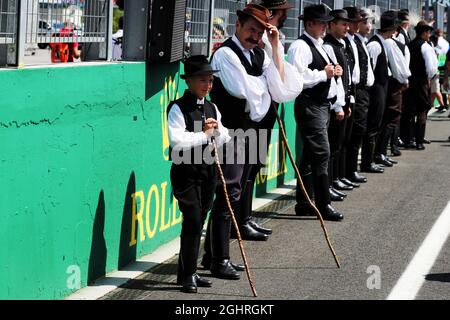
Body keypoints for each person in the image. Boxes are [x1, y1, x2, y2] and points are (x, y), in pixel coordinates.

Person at [202, 4, 302, 279]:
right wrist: (265, 87)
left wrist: (274, 46)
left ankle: (213, 255)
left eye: (260, 32)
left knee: (236, 191)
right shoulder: (225, 54)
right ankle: (218, 258)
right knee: (228, 193)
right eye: (251, 30)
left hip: (252, 130)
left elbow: (282, 88)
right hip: (231, 132)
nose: (255, 36)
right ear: (238, 26)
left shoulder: (260, 52)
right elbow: (243, 90)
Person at [233, 0, 297, 241]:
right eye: (277, 14)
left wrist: (274, 45)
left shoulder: (266, 45)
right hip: (247, 118)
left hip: (264, 112)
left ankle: (245, 218)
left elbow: (280, 79)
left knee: (254, 167)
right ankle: (240, 221)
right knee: (243, 172)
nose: (280, 18)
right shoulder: (244, 47)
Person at [167, 55, 230, 293]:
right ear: (189, 81)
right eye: (203, 80)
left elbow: (225, 138)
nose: (208, 85)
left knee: (199, 220)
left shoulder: (212, 106)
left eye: (211, 80)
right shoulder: (177, 108)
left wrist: (216, 131)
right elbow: (177, 141)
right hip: (185, 173)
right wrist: (204, 135)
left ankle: (187, 272)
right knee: (192, 220)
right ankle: (189, 275)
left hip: (208, 172)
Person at [288, 4, 344, 221]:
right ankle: (323, 204)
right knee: (321, 153)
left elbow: (322, 74)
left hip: (320, 105)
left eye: (326, 23)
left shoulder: (317, 44)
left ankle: (304, 202)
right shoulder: (300, 47)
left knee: (312, 155)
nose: (325, 27)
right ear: (309, 23)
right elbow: (297, 79)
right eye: (322, 23)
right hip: (310, 104)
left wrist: (332, 73)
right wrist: (324, 74)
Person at [361, 10, 398, 173]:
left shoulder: (381, 43)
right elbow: (370, 70)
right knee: (372, 125)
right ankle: (367, 161)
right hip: (375, 89)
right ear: (390, 30)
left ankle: (373, 157)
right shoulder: (375, 45)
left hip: (381, 88)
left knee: (377, 124)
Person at [322, 9, 353, 202]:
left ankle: (335, 180)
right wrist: (338, 105)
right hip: (332, 103)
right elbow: (333, 79)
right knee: (331, 145)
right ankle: (330, 184)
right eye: (343, 24)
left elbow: (345, 76)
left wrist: (347, 101)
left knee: (338, 143)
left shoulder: (341, 45)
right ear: (332, 24)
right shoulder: (328, 46)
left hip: (342, 100)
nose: (347, 28)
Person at [374, 24, 411, 166]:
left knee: (390, 118)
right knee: (392, 117)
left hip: (390, 84)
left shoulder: (388, 43)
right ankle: (380, 153)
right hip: (392, 85)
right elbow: (399, 68)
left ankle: (381, 152)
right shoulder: (390, 43)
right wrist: (404, 80)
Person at [344, 7, 373, 184]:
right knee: (351, 134)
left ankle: (349, 171)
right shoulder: (347, 42)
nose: (356, 26)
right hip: (354, 90)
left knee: (355, 132)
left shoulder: (357, 41)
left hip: (360, 90)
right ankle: (347, 172)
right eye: (355, 22)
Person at [402, 20, 438, 151]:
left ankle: (408, 139)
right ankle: (419, 140)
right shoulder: (426, 46)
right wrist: (429, 78)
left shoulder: (409, 45)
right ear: (424, 32)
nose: (429, 34)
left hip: (410, 80)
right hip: (422, 81)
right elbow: (431, 68)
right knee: (422, 110)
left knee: (409, 110)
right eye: (428, 32)